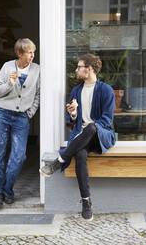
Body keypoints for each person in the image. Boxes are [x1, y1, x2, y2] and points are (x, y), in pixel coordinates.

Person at [40, 53, 116, 221]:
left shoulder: (106, 90)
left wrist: (91, 126)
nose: (76, 70)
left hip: (100, 134)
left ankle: (59, 161)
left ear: (88, 70)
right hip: (81, 136)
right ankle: (86, 202)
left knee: (90, 127)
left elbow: (106, 120)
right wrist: (73, 114)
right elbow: (72, 120)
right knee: (80, 155)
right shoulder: (76, 90)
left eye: (79, 67)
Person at [0, 38, 40, 208]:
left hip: (21, 117)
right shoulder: (7, 66)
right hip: (2, 113)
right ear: (19, 53)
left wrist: (29, 113)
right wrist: (10, 83)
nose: (32, 55)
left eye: (33, 52)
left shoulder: (37, 70)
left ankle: (7, 189)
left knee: (18, 157)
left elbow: (38, 94)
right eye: (29, 52)